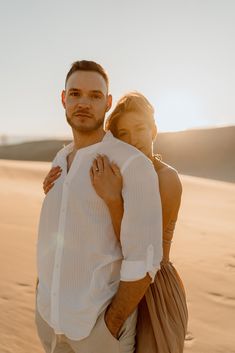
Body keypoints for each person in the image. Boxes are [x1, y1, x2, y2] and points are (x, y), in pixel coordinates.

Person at [43, 91, 188, 353]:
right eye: (123, 134)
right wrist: (57, 185)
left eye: (140, 129)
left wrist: (112, 199)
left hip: (152, 291)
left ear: (154, 130)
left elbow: (141, 247)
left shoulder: (166, 179)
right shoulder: (117, 170)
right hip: (113, 286)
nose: (134, 140)